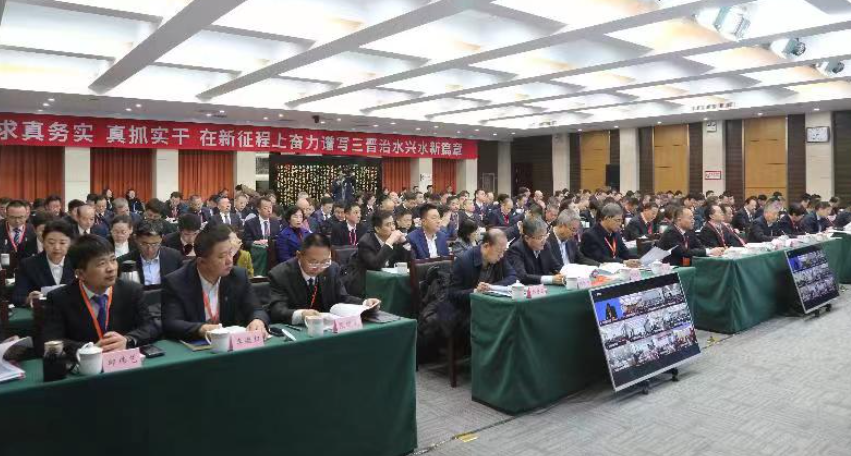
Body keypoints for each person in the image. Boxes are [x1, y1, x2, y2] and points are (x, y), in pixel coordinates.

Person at [42, 234, 160, 356]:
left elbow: (150, 327)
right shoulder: (59, 298)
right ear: (81, 274)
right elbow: (51, 340)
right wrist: (89, 348)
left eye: (113, 260)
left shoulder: (131, 290)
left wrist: (127, 340)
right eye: (101, 263)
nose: (111, 268)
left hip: (123, 361)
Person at [162, 224, 269, 341]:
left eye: (230, 253)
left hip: (230, 345)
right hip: (196, 344)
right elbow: (171, 323)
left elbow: (256, 309)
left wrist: (258, 320)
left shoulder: (238, 276)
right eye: (222, 256)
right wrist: (201, 329)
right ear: (201, 262)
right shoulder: (176, 282)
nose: (229, 261)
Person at [267, 233, 375, 324]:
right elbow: (276, 310)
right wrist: (301, 314)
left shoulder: (332, 268)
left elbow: (342, 297)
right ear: (299, 256)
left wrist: (365, 303)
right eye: (313, 262)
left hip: (327, 327)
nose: (319, 267)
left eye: (325, 261)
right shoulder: (279, 274)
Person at [447, 229, 517, 331]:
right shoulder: (463, 261)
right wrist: (475, 291)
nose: (502, 255)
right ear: (486, 246)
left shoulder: (499, 257)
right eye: (499, 252)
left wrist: (492, 287)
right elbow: (452, 295)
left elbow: (513, 276)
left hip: (489, 305)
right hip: (468, 310)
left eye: (503, 251)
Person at [11, 221, 75, 307]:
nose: (56, 247)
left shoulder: (76, 262)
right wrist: (29, 299)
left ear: (70, 243)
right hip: (41, 312)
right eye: (51, 243)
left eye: (62, 243)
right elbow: (17, 298)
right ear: (43, 242)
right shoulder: (28, 264)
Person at [348, 210, 410, 297]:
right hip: (367, 285)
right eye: (388, 225)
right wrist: (389, 242)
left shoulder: (395, 240)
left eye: (393, 224)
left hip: (388, 281)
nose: (393, 228)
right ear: (377, 229)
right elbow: (375, 265)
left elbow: (410, 261)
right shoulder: (365, 242)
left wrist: (404, 242)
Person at [117, 220, 183, 286]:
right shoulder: (122, 263)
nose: (150, 250)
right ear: (135, 239)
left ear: (161, 239)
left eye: (155, 244)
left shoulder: (174, 257)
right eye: (144, 244)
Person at [658, 207, 724, 266]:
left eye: (693, 218)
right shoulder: (671, 233)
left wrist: (713, 250)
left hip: (687, 265)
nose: (693, 221)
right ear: (679, 220)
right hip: (669, 267)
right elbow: (684, 252)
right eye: (690, 218)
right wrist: (709, 251)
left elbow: (700, 247)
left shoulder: (690, 231)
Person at [506, 217, 563, 285]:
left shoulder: (546, 245)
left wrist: (567, 273)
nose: (544, 240)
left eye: (545, 235)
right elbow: (522, 276)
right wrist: (551, 279)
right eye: (539, 237)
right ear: (527, 238)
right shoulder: (516, 249)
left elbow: (556, 267)